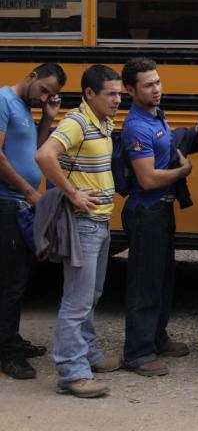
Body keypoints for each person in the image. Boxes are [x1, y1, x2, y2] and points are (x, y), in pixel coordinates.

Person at [36, 65, 123, 398]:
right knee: (77, 301)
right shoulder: (77, 122)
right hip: (83, 224)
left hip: (99, 222)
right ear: (90, 94)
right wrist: (73, 193)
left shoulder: (101, 121)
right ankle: (72, 372)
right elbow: (44, 155)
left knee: (92, 295)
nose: (117, 99)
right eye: (111, 94)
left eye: (119, 93)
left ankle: (87, 353)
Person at [119, 58, 193, 377]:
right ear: (130, 89)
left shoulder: (156, 115)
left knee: (163, 279)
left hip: (161, 210)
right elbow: (147, 179)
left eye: (158, 82)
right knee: (145, 284)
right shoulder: (136, 125)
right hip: (146, 210)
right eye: (148, 85)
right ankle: (137, 352)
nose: (157, 89)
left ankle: (156, 338)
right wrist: (183, 171)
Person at [0, 63, 65, 380]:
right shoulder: (3, 101)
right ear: (31, 76)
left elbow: (35, 149)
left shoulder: (26, 107)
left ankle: (10, 338)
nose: (45, 97)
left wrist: (48, 119)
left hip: (20, 204)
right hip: (6, 203)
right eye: (44, 90)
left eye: (51, 95)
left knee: (21, 277)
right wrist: (28, 192)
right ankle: (8, 354)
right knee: (10, 282)